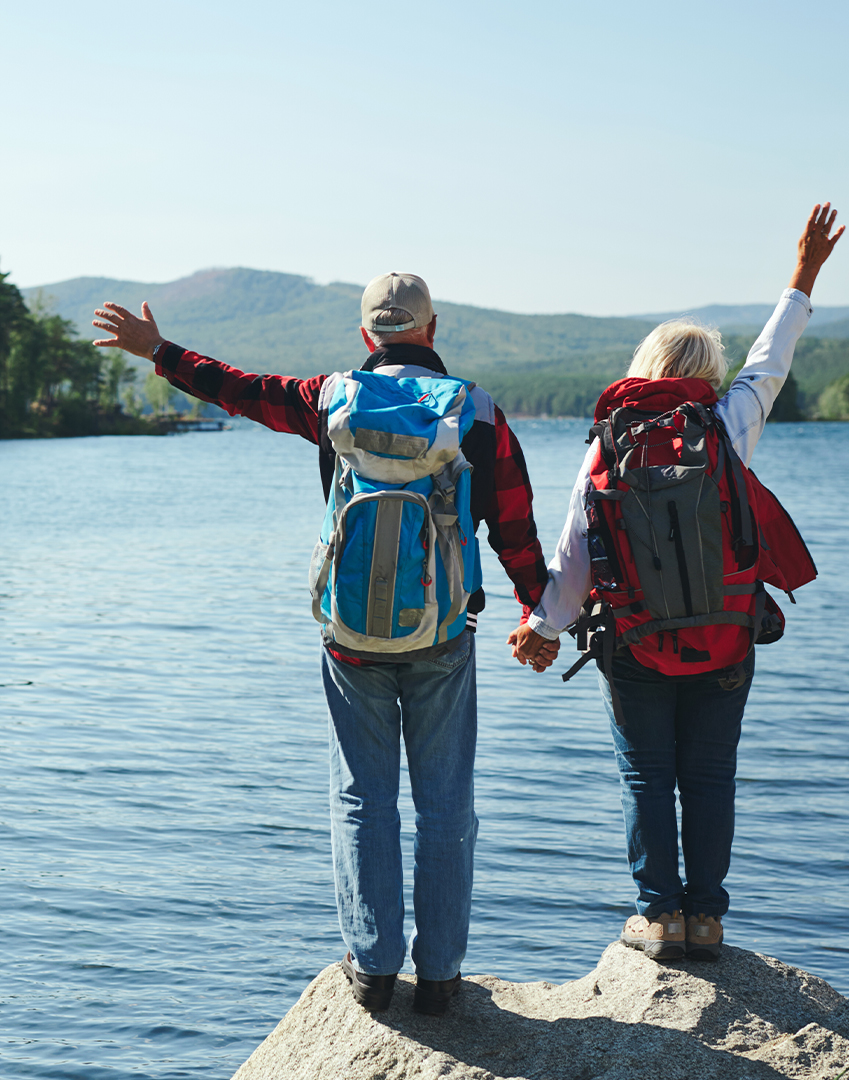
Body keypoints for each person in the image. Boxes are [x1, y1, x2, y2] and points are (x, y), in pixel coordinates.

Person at [92, 272, 560, 1014]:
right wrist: (544, 615)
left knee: (361, 798)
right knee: (445, 805)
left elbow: (240, 390)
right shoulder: (477, 411)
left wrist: (161, 351)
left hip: (348, 635)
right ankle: (440, 977)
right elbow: (516, 530)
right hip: (443, 635)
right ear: (433, 332)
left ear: (367, 335)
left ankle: (373, 968)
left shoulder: (330, 396)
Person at [508, 204, 844, 960]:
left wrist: (541, 628)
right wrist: (804, 273)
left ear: (643, 369)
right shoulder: (725, 427)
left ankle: (658, 918)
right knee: (711, 777)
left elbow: (573, 556)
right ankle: (708, 920)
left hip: (634, 646)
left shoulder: (608, 446)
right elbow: (773, 357)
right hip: (724, 640)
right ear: (709, 380)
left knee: (646, 776)